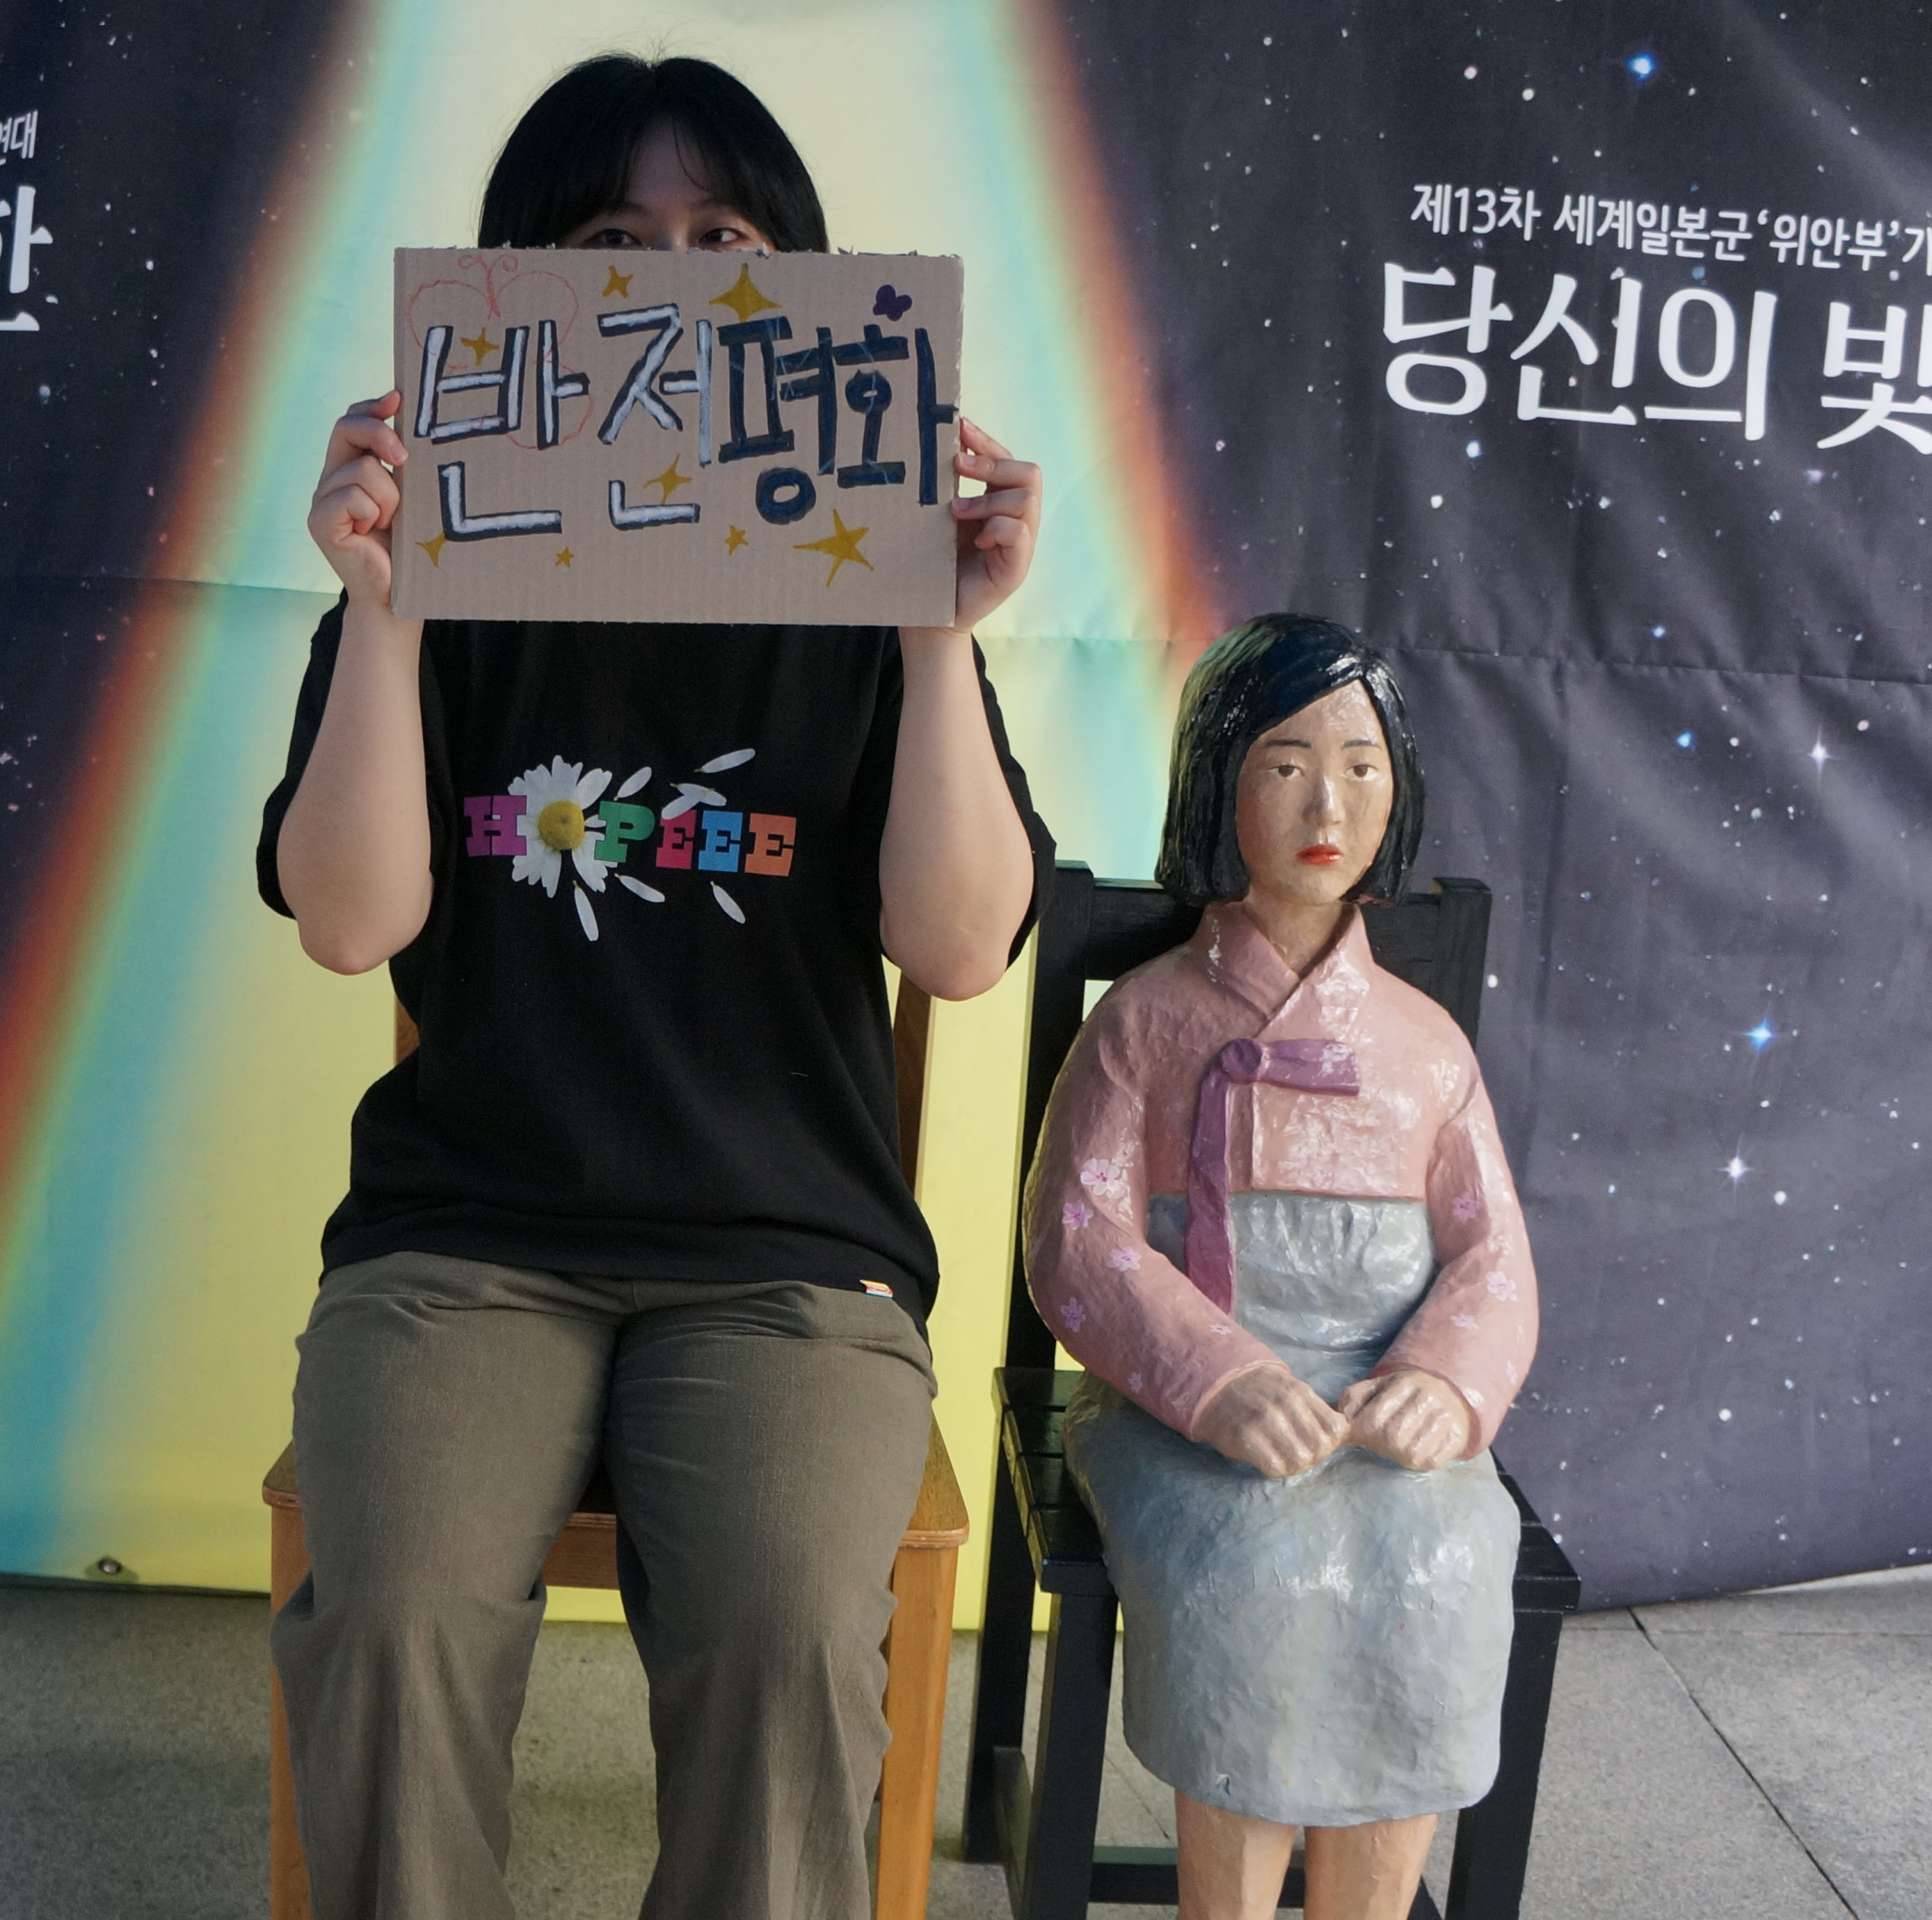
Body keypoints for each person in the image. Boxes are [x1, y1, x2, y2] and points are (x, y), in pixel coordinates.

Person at [253, 53, 1054, 1920]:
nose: (675, 285)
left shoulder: (861, 598)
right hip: (466, 1234)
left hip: (787, 1258)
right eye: (614, 239)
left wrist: (935, 637)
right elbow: (350, 924)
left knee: (785, 1634)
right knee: (390, 1619)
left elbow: (958, 947)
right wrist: (383, 616)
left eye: (726, 242)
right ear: (521, 283)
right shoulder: (438, 583)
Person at [1023, 617, 1538, 1920]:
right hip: (1181, 1405)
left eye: (1363, 768)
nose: (1329, 806)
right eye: (1288, 765)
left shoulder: (1426, 1045)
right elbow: (1078, 1239)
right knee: (1253, 1578)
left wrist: (1443, 1382)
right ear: (1217, 782)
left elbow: (1492, 1256)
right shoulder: (1143, 1022)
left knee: (1437, 1573)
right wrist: (1215, 1377)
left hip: (1378, 1398)